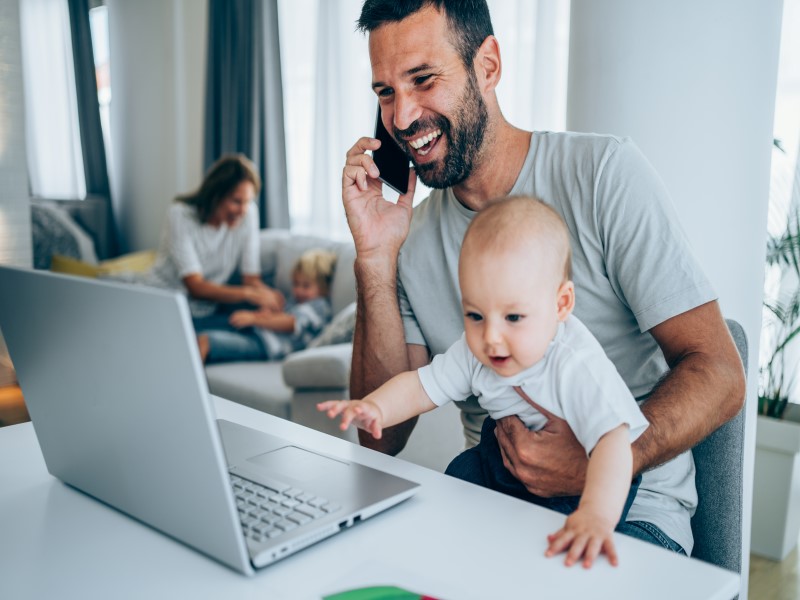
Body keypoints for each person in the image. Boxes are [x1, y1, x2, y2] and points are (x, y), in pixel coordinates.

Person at [341, 0, 746, 556]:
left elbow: (721, 371)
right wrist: (374, 258)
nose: (402, 117)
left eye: (423, 80)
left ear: (488, 66)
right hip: (491, 506)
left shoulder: (605, 176)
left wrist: (601, 462)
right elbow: (378, 440)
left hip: (627, 515)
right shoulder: (406, 238)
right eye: (385, 92)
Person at [321, 197, 649, 567]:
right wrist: (376, 406)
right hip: (502, 464)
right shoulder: (477, 349)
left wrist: (596, 514)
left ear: (561, 304)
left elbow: (614, 443)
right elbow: (420, 386)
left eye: (513, 317)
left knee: (549, 549)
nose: (491, 337)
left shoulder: (575, 364)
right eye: (474, 314)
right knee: (459, 475)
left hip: (585, 484)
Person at [143, 153, 283, 330]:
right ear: (216, 195)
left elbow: (250, 278)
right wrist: (249, 294)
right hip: (165, 304)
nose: (243, 210)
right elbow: (196, 286)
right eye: (236, 201)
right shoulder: (180, 215)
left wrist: (269, 296)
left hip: (207, 310)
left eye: (248, 202)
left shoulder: (249, 214)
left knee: (255, 326)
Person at [197, 249, 336, 364]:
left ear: (324, 288)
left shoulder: (319, 306)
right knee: (200, 331)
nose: (299, 290)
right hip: (256, 334)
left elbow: (291, 323)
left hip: (266, 346)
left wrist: (254, 319)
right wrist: (264, 314)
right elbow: (281, 316)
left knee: (207, 340)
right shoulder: (295, 302)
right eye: (296, 284)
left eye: (306, 286)